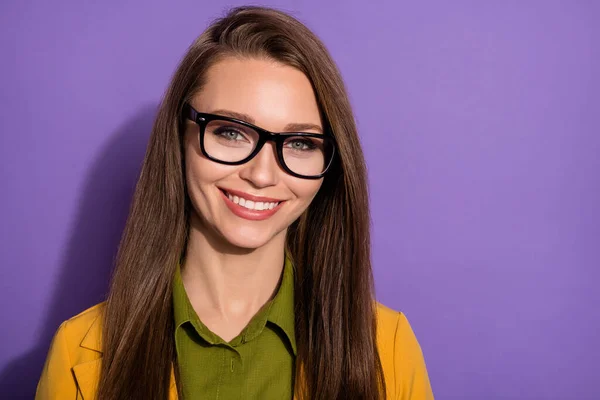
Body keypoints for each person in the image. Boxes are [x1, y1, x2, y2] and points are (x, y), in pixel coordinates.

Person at [36, 6, 433, 400]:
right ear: (179, 138)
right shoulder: (78, 349)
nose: (261, 175)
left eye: (299, 143)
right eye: (231, 133)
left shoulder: (388, 346)